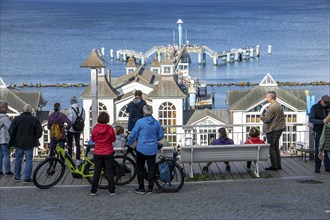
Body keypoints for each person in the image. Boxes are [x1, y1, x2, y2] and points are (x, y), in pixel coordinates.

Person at [127, 105, 164, 194]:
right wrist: (155, 139)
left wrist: (129, 142)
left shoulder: (140, 122)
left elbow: (133, 134)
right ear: (152, 112)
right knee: (151, 168)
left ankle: (141, 188)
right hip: (152, 149)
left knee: (139, 168)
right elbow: (161, 135)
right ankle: (150, 188)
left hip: (141, 148)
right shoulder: (156, 123)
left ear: (143, 112)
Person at [8, 104, 42, 182]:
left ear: (23, 110)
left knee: (18, 159)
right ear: (31, 111)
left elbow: (10, 130)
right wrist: (35, 138)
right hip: (29, 142)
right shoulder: (34, 119)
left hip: (18, 142)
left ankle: (17, 177)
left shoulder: (17, 119)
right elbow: (39, 132)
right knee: (29, 160)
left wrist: (15, 137)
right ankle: (27, 178)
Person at [90, 112, 116, 196]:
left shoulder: (95, 128)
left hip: (97, 152)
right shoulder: (110, 128)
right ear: (107, 119)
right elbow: (113, 139)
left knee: (97, 171)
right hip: (108, 152)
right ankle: (112, 190)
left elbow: (93, 139)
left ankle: (93, 190)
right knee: (109, 172)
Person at [260, 91, 286, 171]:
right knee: (276, 147)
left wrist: (261, 117)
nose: (267, 98)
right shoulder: (279, 106)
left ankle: (274, 165)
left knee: (272, 148)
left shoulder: (272, 107)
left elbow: (267, 119)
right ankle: (278, 165)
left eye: (267, 97)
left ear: (271, 98)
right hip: (279, 128)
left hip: (272, 129)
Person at [309, 95, 330, 173]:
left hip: (327, 130)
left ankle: (327, 167)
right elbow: (311, 119)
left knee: (327, 149)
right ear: (321, 100)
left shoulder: (328, 106)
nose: (326, 104)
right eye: (325, 102)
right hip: (318, 130)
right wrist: (322, 122)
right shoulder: (314, 107)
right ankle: (317, 168)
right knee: (318, 149)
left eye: (327, 103)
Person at [67, 96, 85, 166]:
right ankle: (78, 159)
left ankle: (70, 159)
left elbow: (70, 120)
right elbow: (83, 119)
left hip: (71, 129)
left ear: (71, 102)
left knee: (69, 144)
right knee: (77, 144)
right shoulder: (82, 109)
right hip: (79, 129)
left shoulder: (71, 109)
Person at [0, 101, 13, 176]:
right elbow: (10, 127)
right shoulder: (4, 117)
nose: (7, 109)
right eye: (6, 107)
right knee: (6, 154)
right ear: (2, 108)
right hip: (4, 138)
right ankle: (7, 171)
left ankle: (0, 171)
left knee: (0, 155)